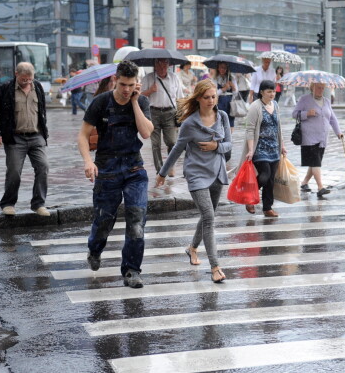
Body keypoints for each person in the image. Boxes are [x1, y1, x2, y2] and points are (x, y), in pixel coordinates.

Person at [77, 60, 153, 289]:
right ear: (115, 80)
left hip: (134, 169)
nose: (126, 89)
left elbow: (147, 133)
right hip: (106, 169)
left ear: (136, 83)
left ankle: (131, 270)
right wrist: (88, 162)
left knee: (137, 221)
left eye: (131, 84)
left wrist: (136, 103)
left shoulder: (141, 101)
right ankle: (94, 250)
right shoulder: (100, 102)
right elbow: (82, 135)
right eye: (122, 84)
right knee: (103, 221)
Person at [155, 79, 231, 283]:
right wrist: (162, 173)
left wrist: (217, 147)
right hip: (196, 174)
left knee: (209, 216)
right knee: (208, 216)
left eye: (214, 97)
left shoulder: (222, 116)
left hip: (216, 172)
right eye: (206, 97)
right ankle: (215, 266)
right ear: (198, 98)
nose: (211, 101)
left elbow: (229, 146)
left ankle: (192, 248)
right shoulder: (189, 123)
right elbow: (177, 149)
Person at [0, 62, 49, 217]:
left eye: (29, 79)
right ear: (16, 74)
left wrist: (43, 132)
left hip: (36, 136)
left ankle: (38, 204)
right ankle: (8, 203)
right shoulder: (5, 89)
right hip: (15, 138)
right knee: (14, 171)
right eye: (23, 79)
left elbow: (42, 111)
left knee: (43, 167)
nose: (27, 82)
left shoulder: (38, 87)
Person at [239, 80, 286, 216]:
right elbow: (250, 129)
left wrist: (282, 146)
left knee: (271, 180)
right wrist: (250, 150)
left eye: (273, 91)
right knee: (264, 176)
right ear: (261, 92)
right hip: (260, 148)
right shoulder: (255, 106)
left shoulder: (275, 105)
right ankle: (250, 198)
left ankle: (267, 208)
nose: (272, 94)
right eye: (269, 91)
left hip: (274, 147)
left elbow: (279, 128)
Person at [292, 83, 342, 197]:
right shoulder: (304, 99)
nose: (321, 90)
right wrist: (307, 113)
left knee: (315, 162)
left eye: (323, 88)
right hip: (309, 137)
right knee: (316, 162)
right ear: (312, 88)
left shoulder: (327, 101)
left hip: (322, 138)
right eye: (318, 88)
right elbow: (294, 114)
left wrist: (338, 132)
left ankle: (304, 183)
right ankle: (320, 187)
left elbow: (332, 119)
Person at [141, 58, 185, 176]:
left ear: (169, 65)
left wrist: (181, 114)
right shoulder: (148, 78)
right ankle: (160, 170)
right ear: (154, 65)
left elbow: (180, 97)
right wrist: (150, 91)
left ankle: (170, 166)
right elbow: (140, 96)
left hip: (170, 113)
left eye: (164, 64)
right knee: (155, 144)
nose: (162, 67)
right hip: (152, 112)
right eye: (159, 64)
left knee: (172, 141)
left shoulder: (174, 78)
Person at [214, 61, 237, 132]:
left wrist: (233, 87)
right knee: (219, 119)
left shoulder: (232, 78)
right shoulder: (215, 79)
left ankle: (229, 137)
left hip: (230, 102)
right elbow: (214, 93)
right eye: (220, 68)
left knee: (230, 120)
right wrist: (223, 89)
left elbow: (236, 92)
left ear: (227, 69)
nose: (222, 70)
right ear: (218, 68)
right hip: (219, 101)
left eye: (224, 68)